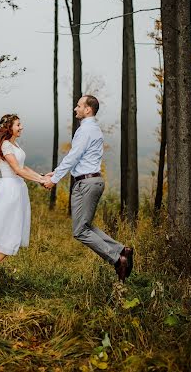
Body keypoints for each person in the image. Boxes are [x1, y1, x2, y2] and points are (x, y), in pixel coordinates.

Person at [43, 95, 134, 282]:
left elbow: (73, 156)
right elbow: (79, 159)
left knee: (80, 231)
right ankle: (122, 250)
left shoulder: (85, 130)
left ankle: (118, 259)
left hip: (87, 183)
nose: (75, 109)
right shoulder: (92, 129)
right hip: (89, 181)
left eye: (78, 106)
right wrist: (56, 172)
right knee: (85, 226)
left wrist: (56, 179)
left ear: (88, 110)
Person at [0, 113, 45, 294]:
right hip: (9, 191)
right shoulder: (5, 145)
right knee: (11, 235)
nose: (21, 127)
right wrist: (39, 181)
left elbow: (24, 167)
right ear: (9, 127)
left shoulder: (14, 144)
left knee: (6, 232)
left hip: (17, 190)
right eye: (18, 124)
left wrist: (41, 177)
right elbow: (17, 170)